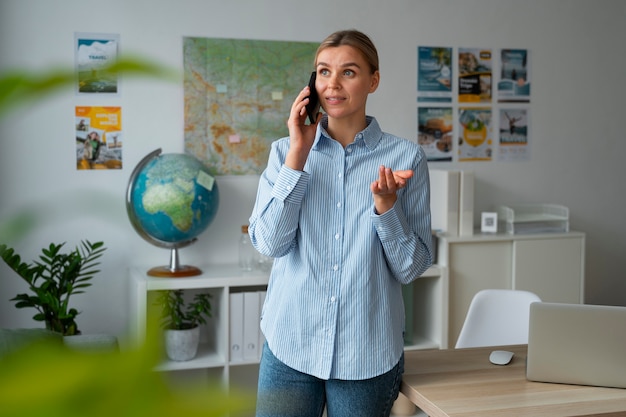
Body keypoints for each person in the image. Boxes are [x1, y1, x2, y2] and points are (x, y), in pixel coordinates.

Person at [248, 29, 433, 417]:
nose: (332, 83)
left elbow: (411, 268)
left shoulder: (406, 158)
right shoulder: (284, 152)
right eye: (323, 72)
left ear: (373, 80)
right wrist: (298, 155)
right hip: (290, 347)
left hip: (366, 355)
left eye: (348, 72)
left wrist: (386, 207)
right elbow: (269, 244)